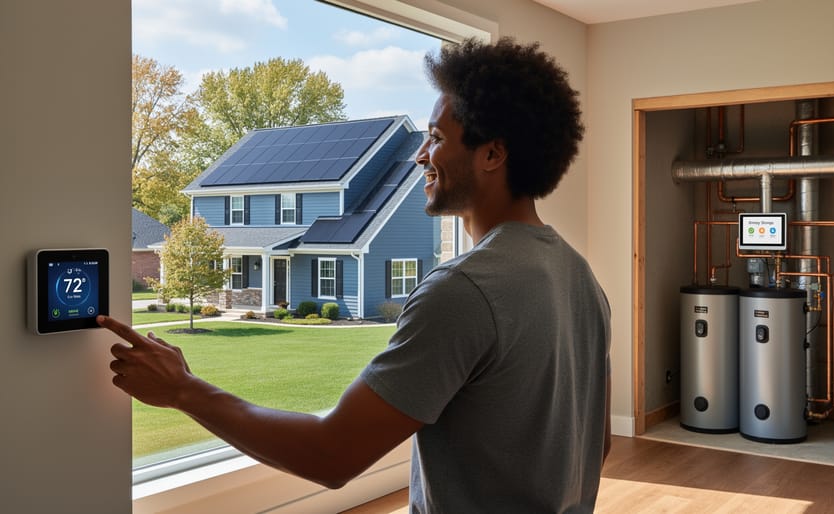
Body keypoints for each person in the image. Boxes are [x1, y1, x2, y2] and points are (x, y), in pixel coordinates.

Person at [100, 36, 611, 513]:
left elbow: (332, 455)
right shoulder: (579, 276)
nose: (420, 155)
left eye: (435, 138)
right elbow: (597, 441)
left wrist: (184, 389)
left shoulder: (465, 290)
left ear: (493, 153)